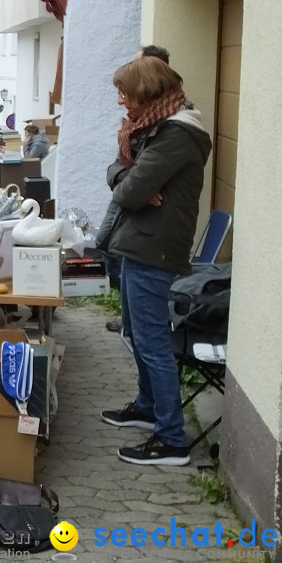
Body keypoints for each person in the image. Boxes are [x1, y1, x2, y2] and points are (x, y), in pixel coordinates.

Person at [98, 56, 211, 466]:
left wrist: (130, 184)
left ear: (147, 94)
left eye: (125, 94)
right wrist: (129, 179)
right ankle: (148, 407)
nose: (121, 102)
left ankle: (172, 439)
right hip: (139, 243)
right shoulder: (153, 128)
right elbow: (121, 174)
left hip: (154, 247)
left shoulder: (177, 135)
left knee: (152, 342)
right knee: (136, 332)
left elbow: (128, 193)